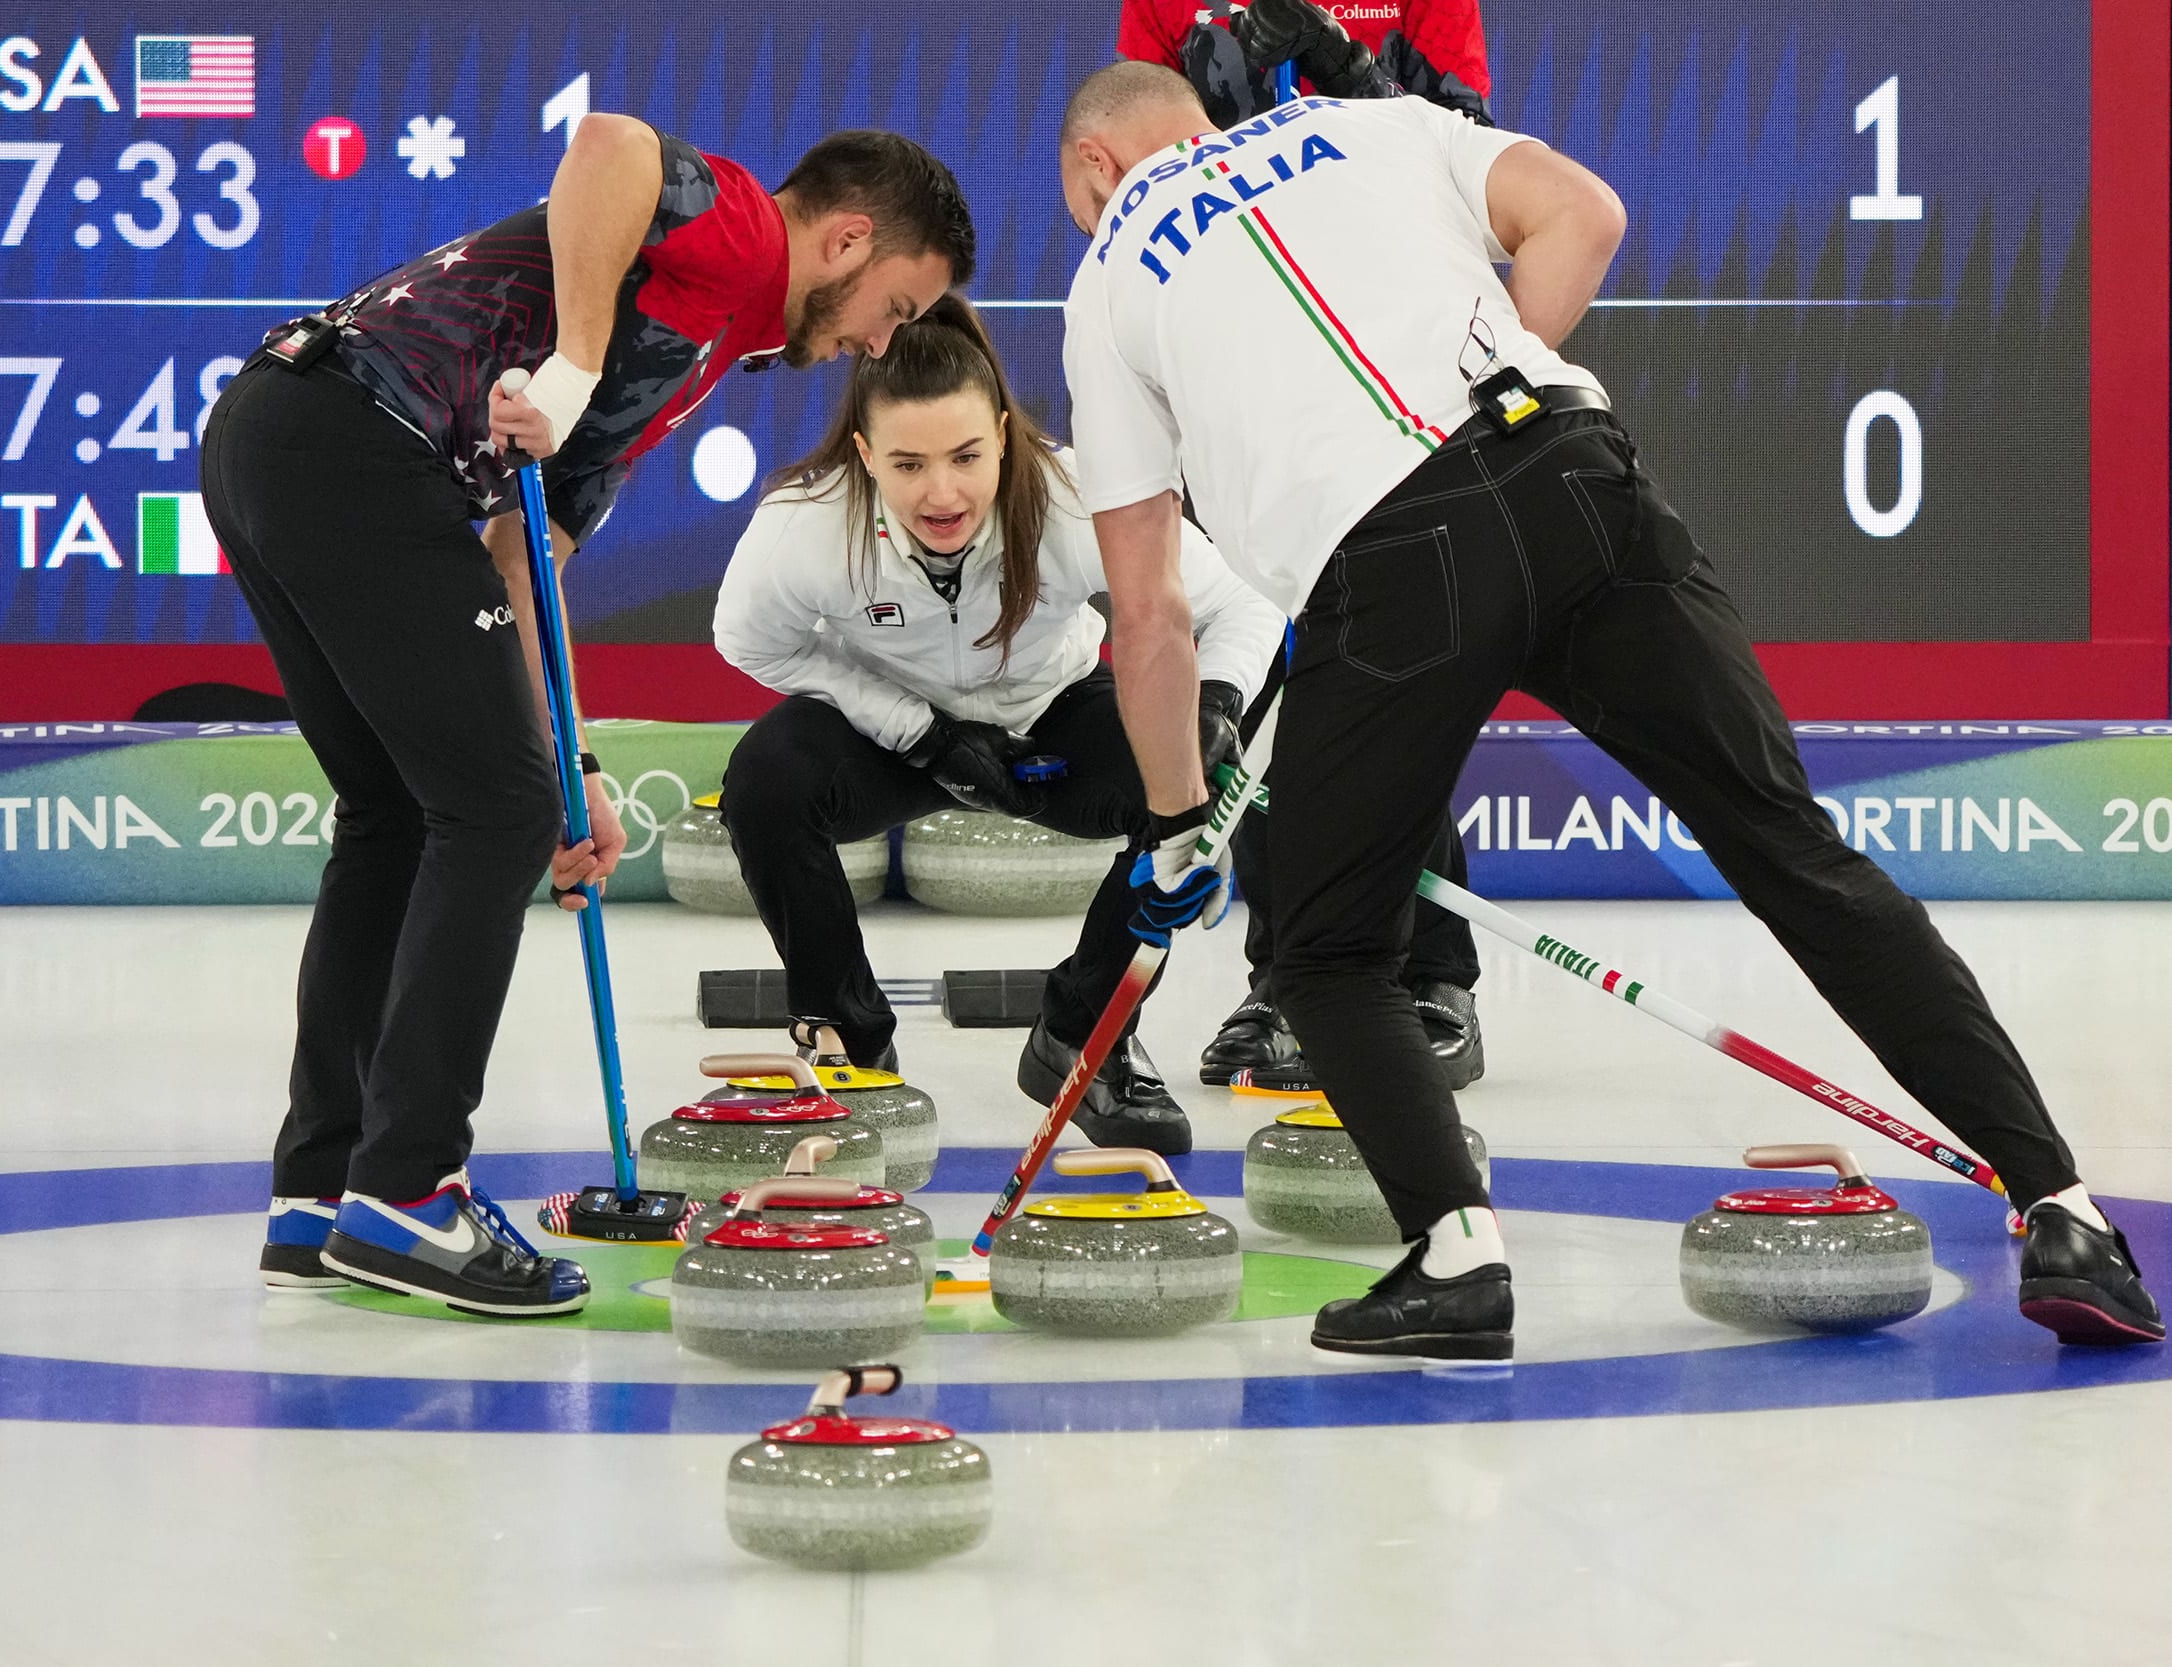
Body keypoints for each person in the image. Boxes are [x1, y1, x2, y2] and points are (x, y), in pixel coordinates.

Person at [1053, 62, 2162, 1357]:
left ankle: (1457, 1260)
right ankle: (2068, 1210)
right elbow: (1588, 213)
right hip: (1577, 473)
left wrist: (1183, 817)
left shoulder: (1112, 271)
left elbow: (1149, 615)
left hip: (1393, 566)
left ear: (1094, 168)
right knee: (1794, 850)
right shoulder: (1376, 122)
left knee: (1325, 945)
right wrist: (1492, 390)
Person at [206, 119, 973, 1315]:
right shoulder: (735, 236)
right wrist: (569, 359)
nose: (884, 341)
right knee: (485, 812)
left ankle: (322, 1195)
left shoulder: (702, 348)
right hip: (355, 441)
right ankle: (409, 1189)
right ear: (846, 238)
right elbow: (608, 147)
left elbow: (524, 551)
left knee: (403, 815)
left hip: (277, 434)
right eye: (898, 304)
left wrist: (572, 766)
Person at [712, 296, 1285, 1154]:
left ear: (1008, 437)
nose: (942, 492)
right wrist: (923, 734)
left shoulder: (1074, 497)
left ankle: (1083, 1037)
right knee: (764, 784)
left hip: (1049, 718)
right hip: (891, 737)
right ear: (865, 455)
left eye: (968, 456)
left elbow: (1243, 601)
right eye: (907, 464)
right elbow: (746, 641)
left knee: (1176, 797)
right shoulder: (806, 524)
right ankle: (848, 1043)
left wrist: (1210, 708)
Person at [1121, 0, 1493, 1092]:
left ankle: (1432, 974)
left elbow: (1465, 152)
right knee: (1263, 670)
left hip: (1389, 344)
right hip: (1243, 346)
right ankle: (1288, 969)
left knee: (1381, 669)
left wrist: (1339, 60)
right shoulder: (1165, 7)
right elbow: (1148, 171)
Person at [1116, 0, 1494, 130]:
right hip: (1236, 254)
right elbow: (1138, 153)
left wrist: (1346, 70)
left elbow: (1468, 142)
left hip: (1384, 245)